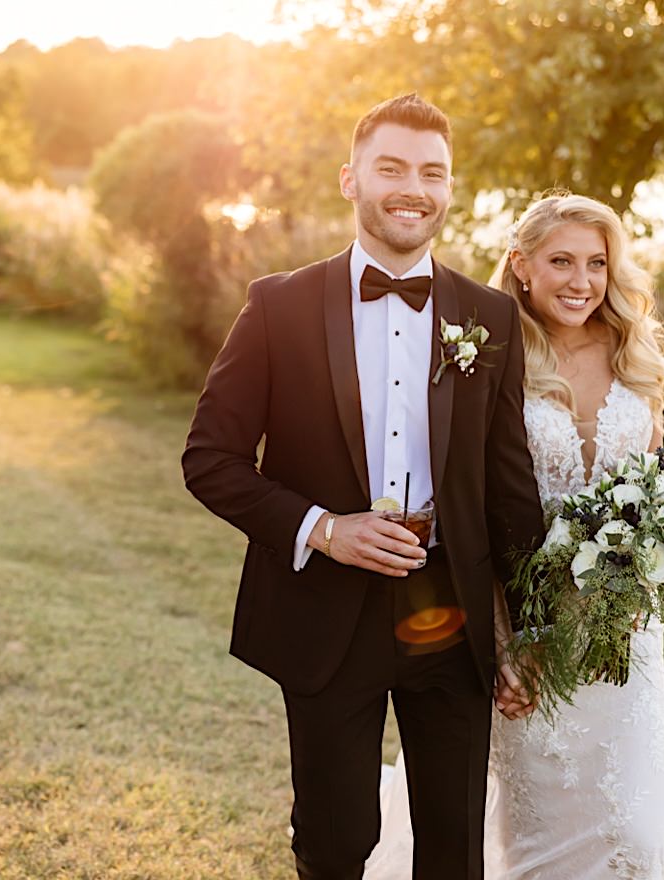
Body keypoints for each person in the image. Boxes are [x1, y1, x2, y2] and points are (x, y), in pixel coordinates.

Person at [183, 93, 546, 880]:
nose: (412, 188)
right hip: (326, 616)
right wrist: (323, 527)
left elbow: (510, 490)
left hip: (451, 618)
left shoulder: (490, 316)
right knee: (337, 842)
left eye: (432, 172)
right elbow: (209, 459)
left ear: (451, 189)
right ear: (350, 180)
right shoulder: (277, 306)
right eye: (392, 168)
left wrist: (526, 632)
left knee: (455, 852)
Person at [366, 192, 664, 878]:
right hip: (519, 627)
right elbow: (467, 506)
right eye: (561, 261)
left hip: (623, 632)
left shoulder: (634, 353)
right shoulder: (487, 354)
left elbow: (653, 484)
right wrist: (508, 642)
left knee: (638, 835)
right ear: (521, 265)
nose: (581, 281)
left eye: (597, 263)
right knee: (524, 834)